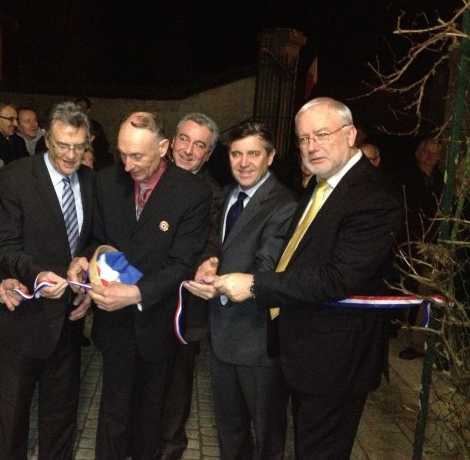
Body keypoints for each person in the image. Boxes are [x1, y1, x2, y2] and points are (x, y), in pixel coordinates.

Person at [187, 97, 402, 460]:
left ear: (349, 134)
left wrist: (254, 284)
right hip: (306, 351)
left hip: (335, 361)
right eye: (303, 139)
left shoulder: (372, 196)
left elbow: (336, 279)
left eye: (321, 134)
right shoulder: (322, 187)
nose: (311, 146)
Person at [68, 111, 211, 459]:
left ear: (163, 147)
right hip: (114, 325)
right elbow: (96, 239)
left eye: (138, 156)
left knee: (150, 418)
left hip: (156, 322)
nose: (128, 164)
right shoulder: (105, 181)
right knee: (112, 415)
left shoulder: (192, 192)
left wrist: (136, 293)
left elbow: (181, 264)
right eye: (122, 154)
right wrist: (81, 261)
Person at [0, 101, 95, 459]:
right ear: (47, 136)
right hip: (21, 320)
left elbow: (97, 240)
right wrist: (37, 274)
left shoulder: (92, 181)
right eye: (62, 145)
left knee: (61, 418)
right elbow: (1, 243)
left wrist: (89, 272)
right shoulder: (15, 176)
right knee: (12, 420)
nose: (70, 155)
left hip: (68, 321)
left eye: (79, 146)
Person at [184, 121, 295, 459]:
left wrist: (216, 287)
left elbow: (265, 267)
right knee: (230, 431)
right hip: (222, 336)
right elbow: (218, 243)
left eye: (253, 154)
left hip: (257, 341)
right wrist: (209, 263)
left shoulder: (284, 205)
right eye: (236, 153)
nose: (243, 162)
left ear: (270, 157)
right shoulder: (229, 192)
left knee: (267, 435)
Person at [159, 112, 223, 460]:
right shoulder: (149, 176)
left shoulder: (212, 193)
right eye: (184, 139)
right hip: (141, 300)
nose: (188, 150)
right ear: (170, 141)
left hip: (183, 306)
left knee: (176, 383)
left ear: (208, 155)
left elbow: (212, 237)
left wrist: (209, 259)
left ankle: (170, 448)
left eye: (199, 145)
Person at [393, 138, 444, 360]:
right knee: (403, 283)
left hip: (432, 241)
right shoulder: (405, 177)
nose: (430, 157)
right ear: (417, 153)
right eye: (427, 152)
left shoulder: (441, 182)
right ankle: (396, 325)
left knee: (424, 288)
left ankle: (417, 335)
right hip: (408, 237)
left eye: (435, 153)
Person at [75, 96, 114, 169]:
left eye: (82, 107)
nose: (79, 109)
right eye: (77, 107)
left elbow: (104, 146)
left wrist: (91, 153)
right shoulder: (67, 125)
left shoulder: (95, 126)